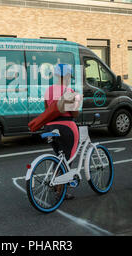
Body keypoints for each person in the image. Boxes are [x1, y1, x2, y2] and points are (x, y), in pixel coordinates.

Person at [43, 64, 81, 200]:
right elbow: (75, 113)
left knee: (59, 157)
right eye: (69, 76)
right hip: (66, 127)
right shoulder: (69, 91)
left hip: (49, 128)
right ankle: (61, 192)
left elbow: (47, 110)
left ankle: (55, 180)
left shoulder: (48, 91)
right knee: (68, 158)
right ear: (67, 76)